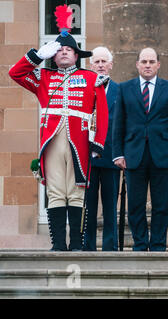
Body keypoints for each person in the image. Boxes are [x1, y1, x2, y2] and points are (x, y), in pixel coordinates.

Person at [8, 26, 108, 251]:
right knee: (55, 191)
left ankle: (76, 243)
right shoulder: (43, 76)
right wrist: (36, 57)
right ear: (52, 55)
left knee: (76, 191)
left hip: (79, 140)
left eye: (68, 49)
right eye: (59, 49)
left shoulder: (92, 78)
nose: (64, 52)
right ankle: (58, 244)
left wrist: (97, 143)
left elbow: (102, 113)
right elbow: (15, 73)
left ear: (76, 55)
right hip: (52, 140)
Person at [112, 47, 168, 251]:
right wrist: (118, 153)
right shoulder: (125, 88)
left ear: (158, 65)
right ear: (137, 65)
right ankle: (140, 244)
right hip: (133, 154)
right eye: (144, 62)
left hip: (162, 154)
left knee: (162, 205)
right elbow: (119, 124)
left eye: (152, 62)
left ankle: (159, 245)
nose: (148, 65)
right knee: (135, 205)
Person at [83, 46, 120, 251]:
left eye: (104, 61)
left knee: (110, 206)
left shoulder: (119, 90)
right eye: (96, 62)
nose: (100, 65)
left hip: (111, 156)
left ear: (111, 65)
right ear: (90, 65)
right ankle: (87, 246)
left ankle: (109, 246)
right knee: (88, 206)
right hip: (87, 157)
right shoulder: (84, 89)